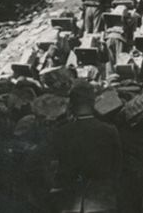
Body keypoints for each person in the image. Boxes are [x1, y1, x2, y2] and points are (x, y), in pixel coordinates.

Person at [50, 80, 122, 213]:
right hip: (102, 200)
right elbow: (117, 165)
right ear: (93, 102)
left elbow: (55, 167)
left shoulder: (61, 132)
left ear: (71, 105)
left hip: (70, 202)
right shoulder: (109, 130)